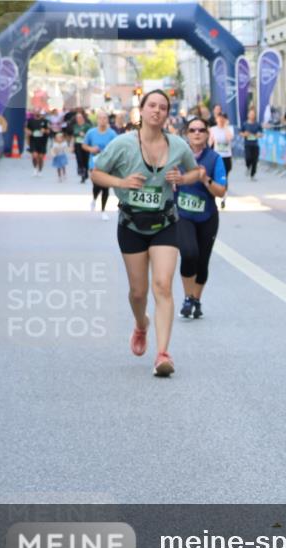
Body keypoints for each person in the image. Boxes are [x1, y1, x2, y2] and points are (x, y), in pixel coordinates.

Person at [91, 90, 202, 377]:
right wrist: (122, 182)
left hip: (165, 223)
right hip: (131, 225)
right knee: (138, 292)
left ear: (167, 113)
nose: (157, 111)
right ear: (141, 110)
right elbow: (96, 173)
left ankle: (163, 354)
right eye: (152, 105)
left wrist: (182, 178)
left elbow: (195, 172)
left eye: (163, 107)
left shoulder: (178, 145)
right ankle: (141, 324)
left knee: (163, 285)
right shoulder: (123, 144)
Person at [177, 116, 227, 319]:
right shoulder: (178, 157)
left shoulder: (215, 159)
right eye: (192, 130)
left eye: (201, 130)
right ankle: (188, 297)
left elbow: (221, 191)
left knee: (202, 261)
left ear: (207, 134)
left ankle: (196, 299)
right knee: (189, 253)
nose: (197, 133)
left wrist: (205, 179)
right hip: (183, 215)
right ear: (186, 134)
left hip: (207, 217)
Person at [83, 111, 119, 221]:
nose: (103, 120)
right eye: (101, 118)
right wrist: (91, 149)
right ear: (97, 120)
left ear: (107, 120)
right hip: (94, 163)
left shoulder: (112, 133)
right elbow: (84, 145)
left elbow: (118, 146)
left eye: (105, 118)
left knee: (105, 187)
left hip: (107, 164)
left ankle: (103, 211)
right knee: (96, 186)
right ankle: (94, 199)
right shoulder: (91, 132)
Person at [209, 113, 234, 208]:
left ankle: (223, 198)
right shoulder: (213, 129)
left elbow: (229, 138)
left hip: (226, 157)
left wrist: (225, 127)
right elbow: (210, 143)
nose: (221, 120)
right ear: (216, 119)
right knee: (214, 177)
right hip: (217, 157)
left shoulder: (229, 129)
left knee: (224, 178)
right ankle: (214, 197)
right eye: (219, 118)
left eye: (223, 119)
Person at [26, 108, 50, 176]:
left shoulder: (45, 121)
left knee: (40, 157)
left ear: (40, 112)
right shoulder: (30, 121)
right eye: (35, 111)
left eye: (38, 111)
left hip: (42, 141)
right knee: (34, 156)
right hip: (33, 141)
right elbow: (26, 129)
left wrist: (45, 131)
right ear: (33, 112)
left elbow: (49, 131)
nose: (37, 113)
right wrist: (28, 131)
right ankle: (35, 169)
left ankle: (40, 170)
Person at [241, 108, 263, 181]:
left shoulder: (257, 124)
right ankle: (248, 166)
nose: (252, 116)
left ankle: (253, 175)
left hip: (255, 144)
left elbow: (261, 133)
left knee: (255, 160)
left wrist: (259, 134)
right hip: (247, 144)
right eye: (251, 114)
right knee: (248, 158)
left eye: (253, 114)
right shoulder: (245, 124)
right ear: (248, 115)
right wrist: (244, 134)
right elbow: (240, 132)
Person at [71, 111, 93, 183]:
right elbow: (73, 136)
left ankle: (85, 172)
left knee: (85, 159)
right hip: (78, 144)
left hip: (86, 144)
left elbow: (91, 135)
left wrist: (84, 135)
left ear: (83, 118)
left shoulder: (87, 126)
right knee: (79, 159)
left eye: (80, 117)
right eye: (77, 117)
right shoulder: (75, 126)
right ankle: (82, 173)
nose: (79, 119)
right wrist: (72, 146)